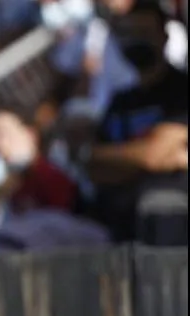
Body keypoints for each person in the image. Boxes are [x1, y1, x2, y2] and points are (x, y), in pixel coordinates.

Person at [86, 0, 189, 244]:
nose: (135, 42)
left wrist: (119, 159)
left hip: (166, 219)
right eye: (128, 34)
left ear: (163, 36)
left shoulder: (181, 91)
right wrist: (145, 156)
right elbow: (92, 164)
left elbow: (155, 154)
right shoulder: (120, 101)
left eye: (143, 34)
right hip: (113, 223)